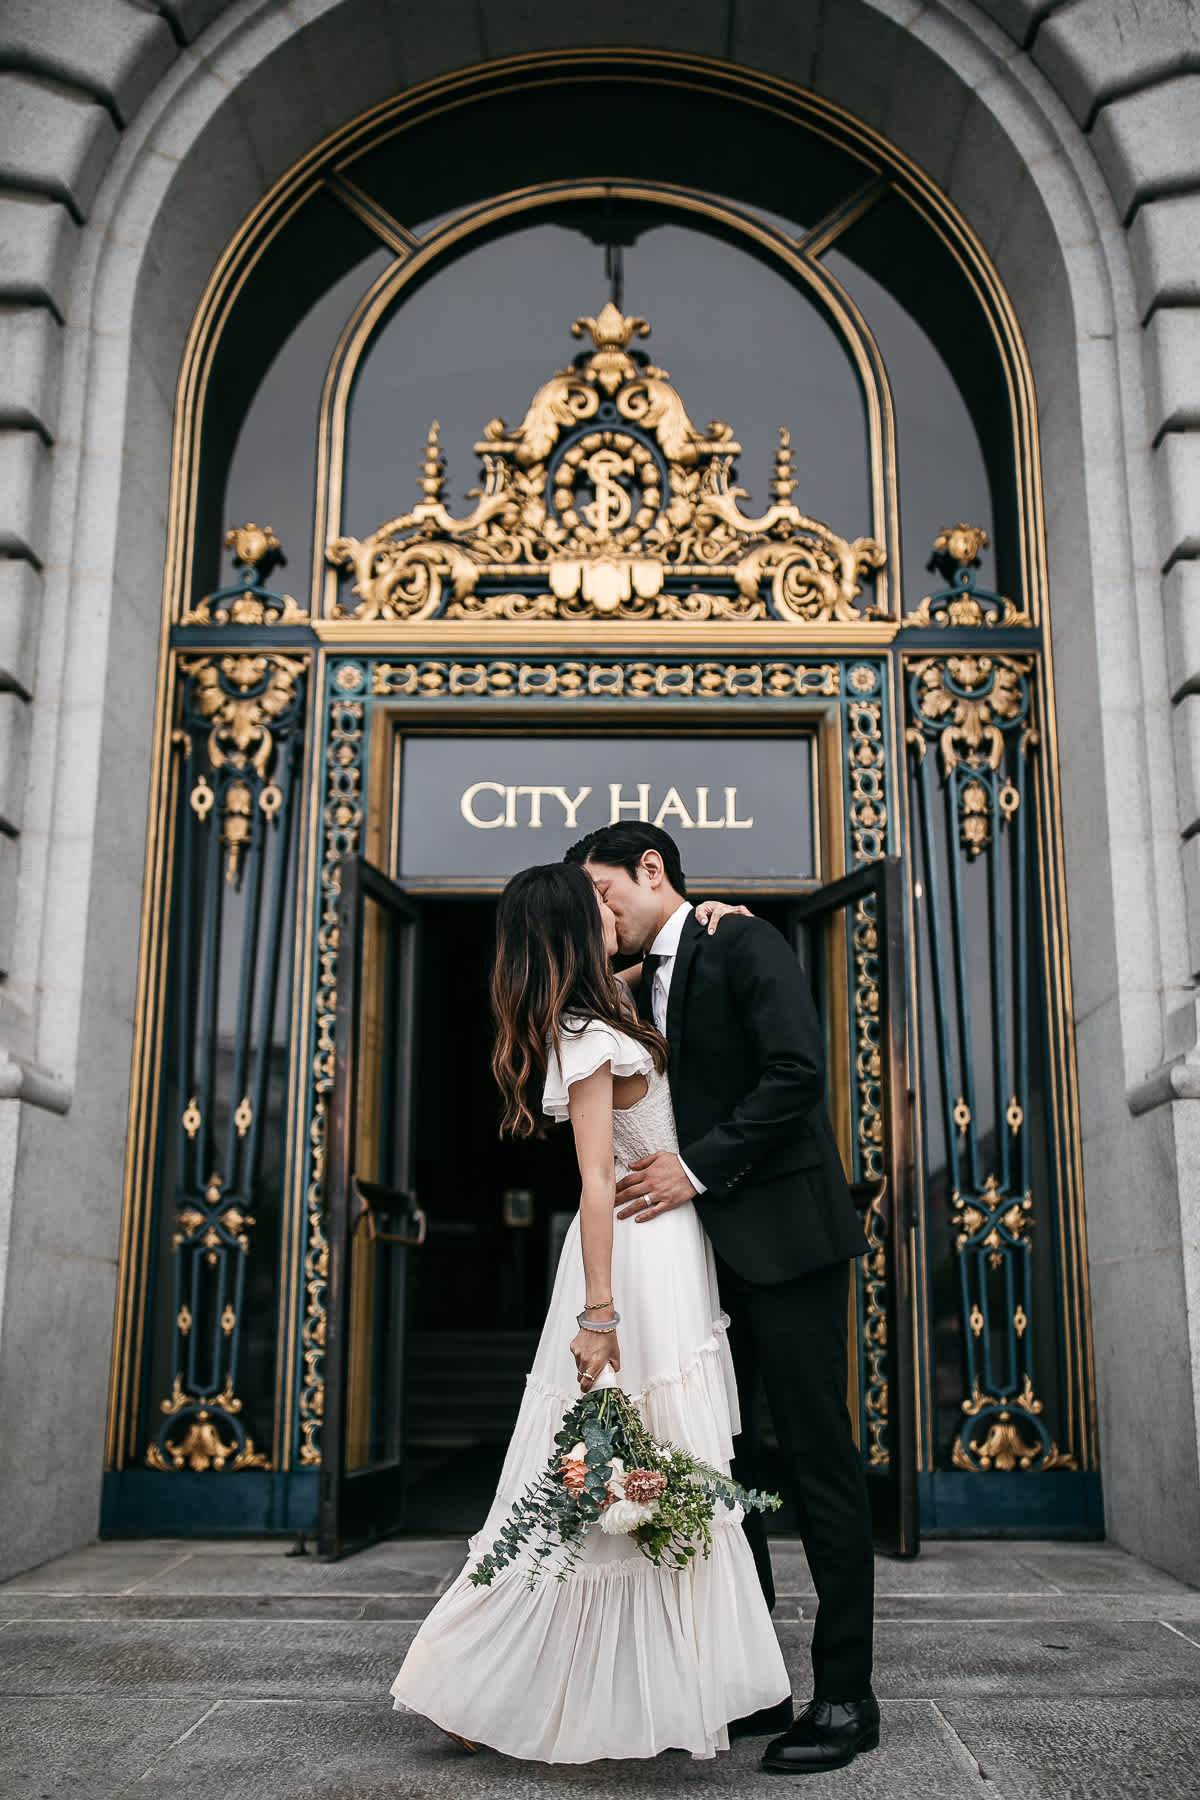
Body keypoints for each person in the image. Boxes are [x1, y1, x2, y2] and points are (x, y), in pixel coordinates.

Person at [389, 861, 790, 1762]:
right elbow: (596, 1181)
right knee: (597, 1473)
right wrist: (599, 1314)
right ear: (576, 924)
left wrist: (718, 915)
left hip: (671, 1252)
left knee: (650, 1472)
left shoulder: (615, 1000)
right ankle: (478, 1680)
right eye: (598, 904)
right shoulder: (584, 1030)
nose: (615, 909)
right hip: (634, 1262)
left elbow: (683, 952)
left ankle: (651, 1688)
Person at [565, 822, 879, 1776]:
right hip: (701, 1267)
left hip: (786, 1246)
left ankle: (846, 1698)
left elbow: (797, 1075)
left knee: (820, 1463)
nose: (600, 913)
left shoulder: (741, 939)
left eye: (605, 893)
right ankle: (758, 1684)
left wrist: (693, 1169)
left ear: (650, 870)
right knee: (720, 1473)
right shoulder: (626, 986)